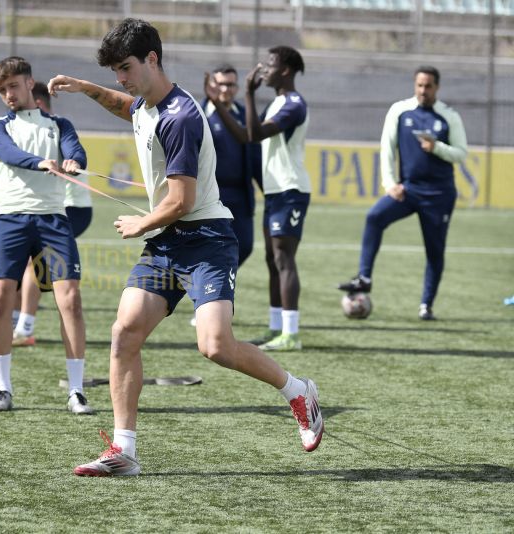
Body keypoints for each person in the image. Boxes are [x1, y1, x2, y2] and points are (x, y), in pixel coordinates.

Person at [48, 18, 323, 477]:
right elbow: (128, 106)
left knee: (215, 345)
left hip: (206, 240)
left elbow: (182, 201)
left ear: (152, 59)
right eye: (115, 71)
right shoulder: (146, 101)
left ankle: (297, 390)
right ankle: (124, 451)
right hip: (166, 243)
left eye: (125, 67)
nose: (120, 77)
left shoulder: (180, 118)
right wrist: (86, 88)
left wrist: (140, 223)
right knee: (124, 333)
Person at [0, 56, 93, 415]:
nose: (8, 95)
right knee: (1, 298)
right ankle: (3, 389)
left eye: (13, 86)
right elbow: (7, 153)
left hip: (53, 221)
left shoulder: (59, 125)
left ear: (30, 83)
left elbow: (76, 149)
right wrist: (39, 162)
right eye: (2, 90)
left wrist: (74, 161)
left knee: (70, 300)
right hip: (8, 219)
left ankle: (76, 391)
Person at [337, 66, 468, 320]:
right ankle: (364, 277)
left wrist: (437, 147)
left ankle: (426, 306)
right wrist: (390, 184)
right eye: (419, 85)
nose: (423, 90)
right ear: (414, 85)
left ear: (437, 87)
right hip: (409, 190)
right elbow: (387, 148)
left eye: (428, 86)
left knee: (434, 251)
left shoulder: (449, 116)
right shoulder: (399, 110)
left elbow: (461, 154)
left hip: (439, 195)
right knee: (375, 216)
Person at [10, 81, 94, 347]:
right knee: (23, 261)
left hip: (71, 208)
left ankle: (24, 329)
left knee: (33, 263)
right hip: (50, 207)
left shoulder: (55, 127)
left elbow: (74, 154)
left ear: (37, 103)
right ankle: (14, 324)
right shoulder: (30, 129)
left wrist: (73, 162)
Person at [242, 46, 310, 351]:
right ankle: (275, 328)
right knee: (272, 259)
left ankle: (291, 334)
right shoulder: (277, 103)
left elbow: (255, 134)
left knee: (284, 259)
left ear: (285, 70)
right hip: (274, 191)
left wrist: (248, 94)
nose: (264, 69)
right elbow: (249, 134)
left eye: (270, 64)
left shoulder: (294, 104)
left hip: (290, 190)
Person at [196, 64, 263, 327]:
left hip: (241, 195)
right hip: (211, 196)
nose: (226, 89)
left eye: (231, 84)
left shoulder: (244, 115)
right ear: (211, 86)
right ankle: (208, 304)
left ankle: (211, 294)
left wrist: (266, 190)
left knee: (244, 246)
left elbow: (254, 154)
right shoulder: (198, 115)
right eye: (221, 84)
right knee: (213, 250)